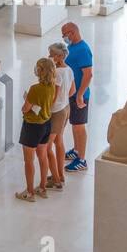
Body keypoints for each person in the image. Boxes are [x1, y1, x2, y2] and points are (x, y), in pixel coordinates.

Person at [16, 58, 57, 202]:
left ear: (41, 71)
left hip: (32, 126)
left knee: (29, 161)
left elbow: (25, 108)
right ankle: (42, 187)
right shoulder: (52, 86)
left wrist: (26, 103)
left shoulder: (35, 89)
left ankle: (29, 192)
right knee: (43, 156)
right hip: (46, 124)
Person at [61, 22, 94, 173]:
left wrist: (80, 94)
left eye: (65, 34)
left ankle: (81, 159)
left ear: (72, 32)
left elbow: (88, 75)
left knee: (79, 127)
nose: (64, 38)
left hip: (80, 95)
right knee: (74, 125)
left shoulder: (83, 50)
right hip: (72, 93)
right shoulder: (72, 47)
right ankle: (76, 149)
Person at [46, 41, 76, 190]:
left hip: (56, 112)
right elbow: (72, 91)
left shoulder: (56, 73)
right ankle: (60, 174)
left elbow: (53, 95)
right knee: (59, 141)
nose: (49, 56)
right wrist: (64, 100)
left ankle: (56, 180)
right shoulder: (69, 70)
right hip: (66, 108)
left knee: (47, 147)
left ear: (58, 56)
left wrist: (45, 108)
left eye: (51, 54)